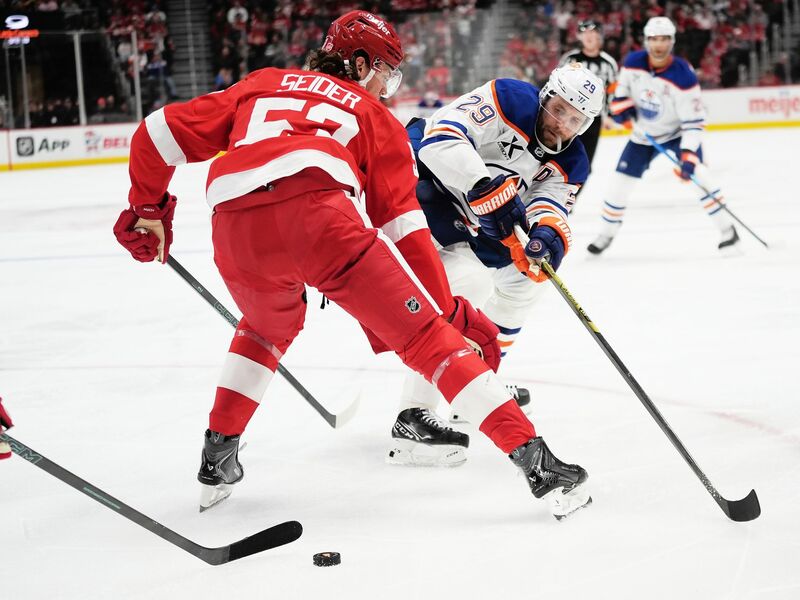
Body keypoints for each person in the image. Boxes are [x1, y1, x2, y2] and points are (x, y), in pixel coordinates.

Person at [112, 11, 591, 520]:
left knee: (264, 328)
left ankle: (218, 455)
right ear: (359, 63)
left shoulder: (262, 82)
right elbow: (405, 229)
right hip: (320, 223)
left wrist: (147, 211)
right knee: (430, 341)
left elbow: (155, 132)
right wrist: (446, 312)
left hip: (233, 226)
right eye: (386, 71)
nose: (387, 86)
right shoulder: (374, 115)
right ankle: (540, 467)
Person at [390, 63, 603, 467]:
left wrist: (547, 235)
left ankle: (472, 383)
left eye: (575, 120)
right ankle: (411, 421)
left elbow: (550, 204)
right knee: (465, 286)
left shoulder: (573, 161)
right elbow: (439, 139)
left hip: (482, 220)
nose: (562, 125)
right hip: (427, 192)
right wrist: (481, 186)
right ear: (545, 97)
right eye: (559, 110)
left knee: (527, 280)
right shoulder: (508, 98)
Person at [587, 16, 740, 255]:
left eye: (664, 39)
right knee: (618, 185)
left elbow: (694, 122)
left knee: (700, 177)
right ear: (646, 41)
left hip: (678, 134)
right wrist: (622, 110)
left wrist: (688, 155)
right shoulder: (633, 62)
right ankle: (606, 233)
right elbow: (622, 92)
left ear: (672, 42)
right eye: (654, 39)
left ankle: (728, 231)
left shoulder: (684, 76)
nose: (659, 45)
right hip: (644, 135)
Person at [558, 19, 619, 196]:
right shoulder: (570, 59)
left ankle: (569, 202)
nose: (589, 37)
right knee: (558, 157)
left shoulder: (608, 63)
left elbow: (613, 91)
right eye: (585, 33)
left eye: (593, 33)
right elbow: (557, 86)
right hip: (568, 118)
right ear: (579, 36)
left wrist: (610, 115)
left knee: (584, 165)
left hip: (594, 120)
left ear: (600, 36)